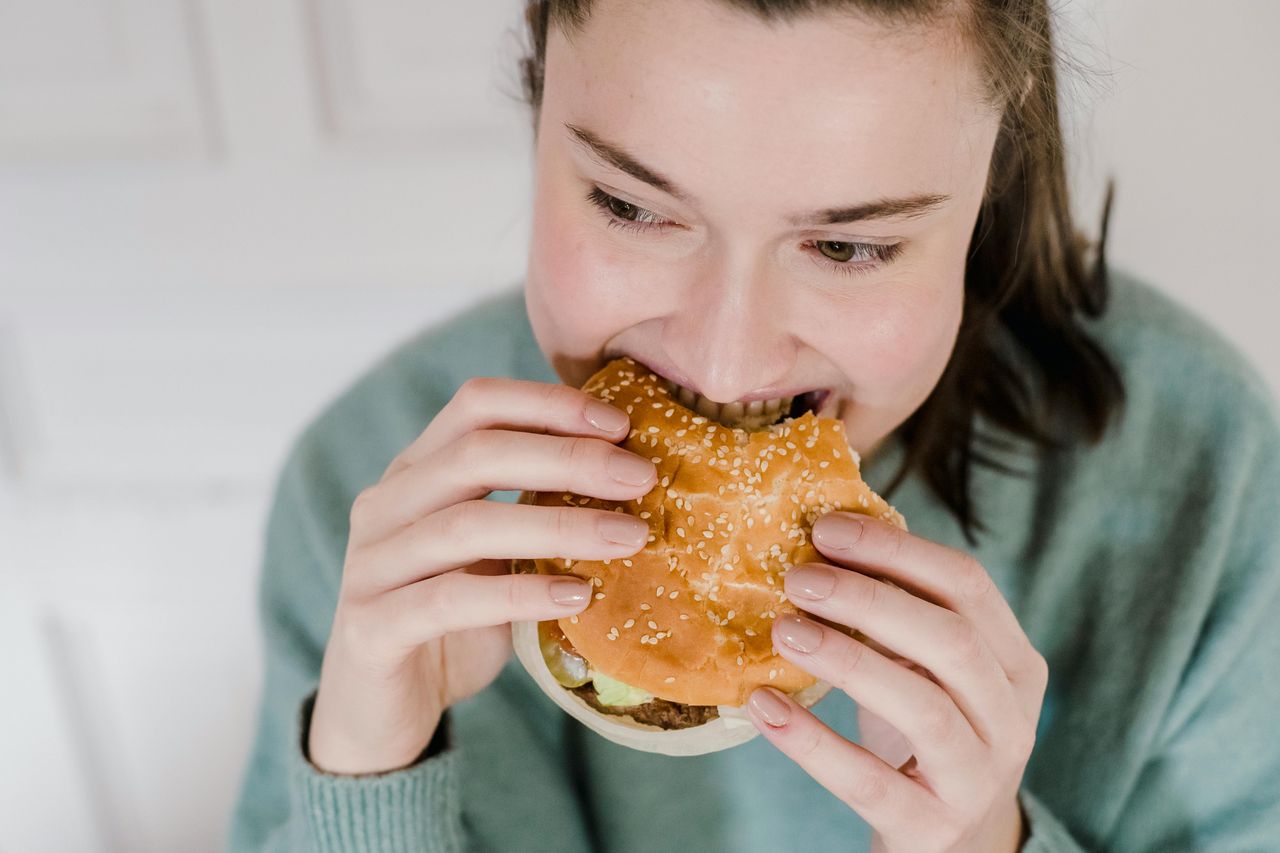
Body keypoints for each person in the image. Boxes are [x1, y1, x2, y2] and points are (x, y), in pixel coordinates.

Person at [226, 0, 1280, 850]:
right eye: (630, 208)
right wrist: (371, 782)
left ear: (988, 187)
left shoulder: (1208, 469)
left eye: (847, 248)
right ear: (537, 99)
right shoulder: (371, 490)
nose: (725, 366)